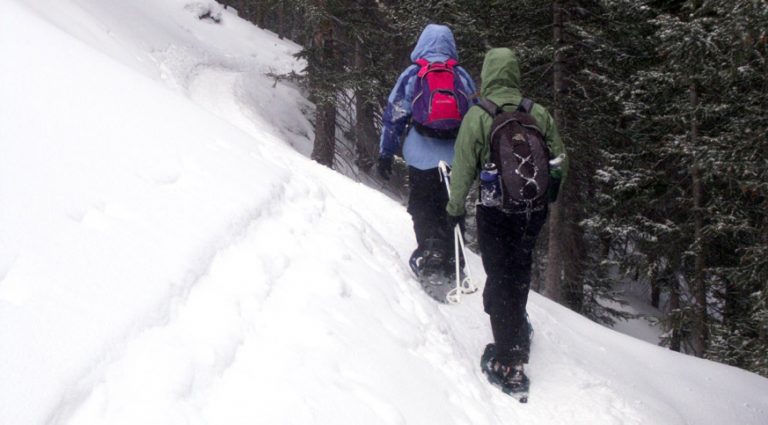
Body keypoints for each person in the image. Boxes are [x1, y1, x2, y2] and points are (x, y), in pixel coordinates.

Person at [445, 47, 568, 396]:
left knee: (500, 274)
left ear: (487, 75)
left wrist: (455, 208)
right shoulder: (537, 113)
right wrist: (550, 194)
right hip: (532, 210)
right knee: (519, 269)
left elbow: (465, 167)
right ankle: (515, 325)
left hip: (496, 210)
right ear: (514, 74)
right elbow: (560, 160)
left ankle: (509, 363)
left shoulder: (478, 115)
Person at [377, 24, 477, 279]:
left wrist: (386, 153)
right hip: (455, 156)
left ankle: (430, 253)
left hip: (421, 154)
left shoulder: (414, 74)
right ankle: (454, 257)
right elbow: (474, 117)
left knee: (423, 204)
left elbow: (394, 115)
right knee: (451, 204)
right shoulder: (461, 75)